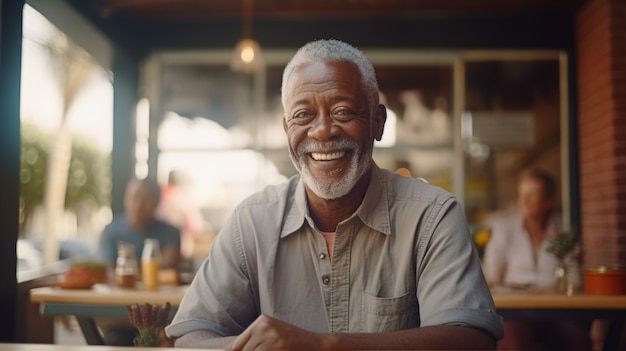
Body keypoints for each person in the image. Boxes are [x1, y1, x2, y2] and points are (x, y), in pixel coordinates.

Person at [165, 39, 503, 350]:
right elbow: (191, 336)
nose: (323, 130)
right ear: (287, 130)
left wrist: (323, 346)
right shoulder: (251, 222)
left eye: (342, 111)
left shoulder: (431, 216)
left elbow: (472, 340)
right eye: (303, 115)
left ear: (377, 122)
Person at [482, 169, 591, 351]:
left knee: (578, 340)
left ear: (548, 201)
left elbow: (575, 282)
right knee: (514, 342)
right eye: (522, 195)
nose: (524, 201)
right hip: (516, 314)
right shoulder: (503, 230)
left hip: (557, 314)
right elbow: (491, 279)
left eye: (532, 195)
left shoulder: (564, 235)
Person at [96, 177, 181, 346]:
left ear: (156, 203)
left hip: (162, 317)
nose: (138, 204)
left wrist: (128, 276)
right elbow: (109, 273)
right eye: (134, 197)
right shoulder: (111, 231)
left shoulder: (170, 232)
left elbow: (169, 269)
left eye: (146, 199)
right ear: (126, 199)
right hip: (119, 315)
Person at [156, 169, 207, 262]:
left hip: (157, 251)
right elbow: (196, 229)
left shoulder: (159, 199)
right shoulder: (184, 200)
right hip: (181, 252)